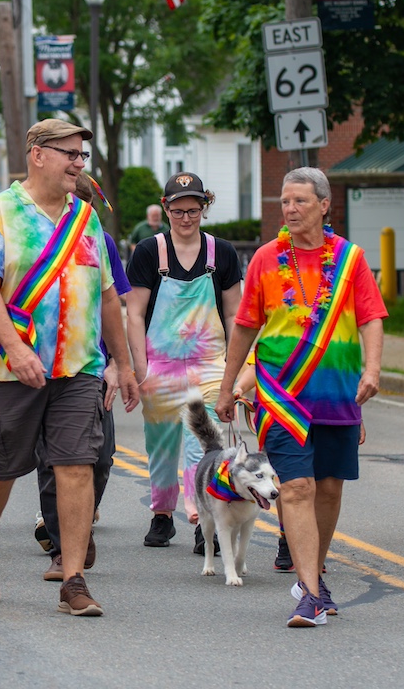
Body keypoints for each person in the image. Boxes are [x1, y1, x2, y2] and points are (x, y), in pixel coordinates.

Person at [0, 118, 139, 617]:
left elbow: (107, 297)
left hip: (78, 367)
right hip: (8, 369)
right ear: (38, 154)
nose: (79, 164)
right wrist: (16, 348)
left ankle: (75, 577)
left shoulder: (87, 221)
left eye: (82, 156)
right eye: (70, 154)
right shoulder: (0, 212)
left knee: (77, 465)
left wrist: (121, 363)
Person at [216, 167, 386, 628]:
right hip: (281, 396)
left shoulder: (351, 260)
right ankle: (310, 593)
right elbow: (246, 326)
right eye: (285, 202)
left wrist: (372, 368)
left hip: (336, 393)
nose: (290, 209)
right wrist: (229, 385)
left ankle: (314, 575)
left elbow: (371, 316)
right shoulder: (266, 260)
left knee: (328, 489)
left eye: (300, 201)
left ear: (325, 205)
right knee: (295, 487)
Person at [126, 172, 242, 550]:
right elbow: (135, 314)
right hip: (161, 364)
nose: (186, 218)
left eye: (193, 210)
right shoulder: (148, 251)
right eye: (178, 211)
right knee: (160, 445)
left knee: (203, 444)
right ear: (166, 208)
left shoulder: (221, 252)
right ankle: (162, 514)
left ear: (204, 208)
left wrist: (233, 370)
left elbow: (233, 314)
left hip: (209, 364)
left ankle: (202, 519)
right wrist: (140, 369)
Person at [36, 172, 130, 579]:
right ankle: (63, 546)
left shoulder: (101, 241)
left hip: (93, 365)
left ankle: (81, 520)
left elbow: (115, 306)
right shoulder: (34, 236)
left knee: (101, 456)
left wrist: (119, 365)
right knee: (53, 460)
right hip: (44, 368)